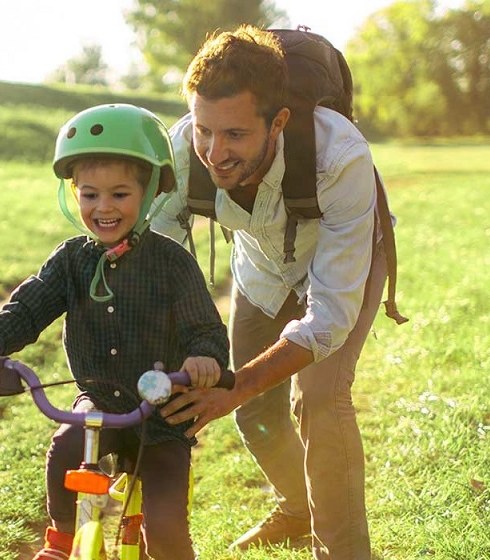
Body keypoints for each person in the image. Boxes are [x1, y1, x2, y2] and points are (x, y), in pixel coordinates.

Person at [150, 25, 393, 559]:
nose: (215, 152)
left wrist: (235, 384)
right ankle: (297, 506)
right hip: (260, 270)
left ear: (278, 122)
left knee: (321, 403)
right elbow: (153, 267)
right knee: (253, 411)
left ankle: (343, 551)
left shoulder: (340, 154)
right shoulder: (180, 152)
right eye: (204, 130)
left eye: (235, 134)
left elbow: (328, 315)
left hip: (343, 266)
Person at [0, 103, 230, 560]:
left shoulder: (172, 263)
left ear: (149, 194)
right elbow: (29, 305)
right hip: (99, 401)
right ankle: (64, 538)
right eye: (90, 195)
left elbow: (205, 327)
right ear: (74, 194)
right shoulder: (71, 260)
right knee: (66, 447)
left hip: (163, 412)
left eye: (120, 194)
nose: (103, 208)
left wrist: (203, 359)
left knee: (164, 529)